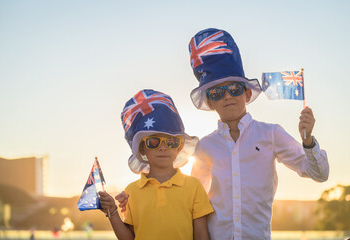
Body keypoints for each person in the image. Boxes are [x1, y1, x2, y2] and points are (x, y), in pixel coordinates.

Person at [187, 28, 329, 240]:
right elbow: (193, 201)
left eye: (234, 88)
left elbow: (319, 174)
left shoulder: (271, 134)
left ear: (247, 93)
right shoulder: (205, 146)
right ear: (210, 102)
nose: (227, 97)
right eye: (217, 92)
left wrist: (308, 141)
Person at [98, 89, 214, 240]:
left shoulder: (194, 186)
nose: (163, 147)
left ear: (179, 147)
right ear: (142, 148)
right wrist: (112, 211)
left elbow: (201, 234)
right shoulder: (131, 191)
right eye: (154, 142)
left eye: (171, 142)